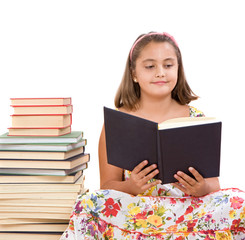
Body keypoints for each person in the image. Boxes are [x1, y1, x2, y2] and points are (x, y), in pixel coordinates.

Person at [60, 32, 245, 240]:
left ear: (178, 70)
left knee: (240, 203)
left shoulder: (197, 119)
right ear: (134, 74)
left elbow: (214, 185)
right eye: (150, 66)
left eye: (168, 65)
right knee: (89, 202)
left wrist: (200, 188)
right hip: (136, 213)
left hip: (187, 211)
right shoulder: (118, 122)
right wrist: (131, 186)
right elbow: (108, 187)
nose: (160, 73)